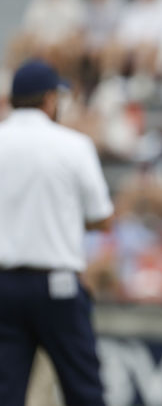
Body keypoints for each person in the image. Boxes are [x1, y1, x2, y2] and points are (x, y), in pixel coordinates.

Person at [0, 60, 113, 405]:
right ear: (49, 99)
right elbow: (101, 219)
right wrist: (60, 216)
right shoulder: (73, 145)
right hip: (57, 284)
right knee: (84, 390)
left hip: (3, 285)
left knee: (6, 392)